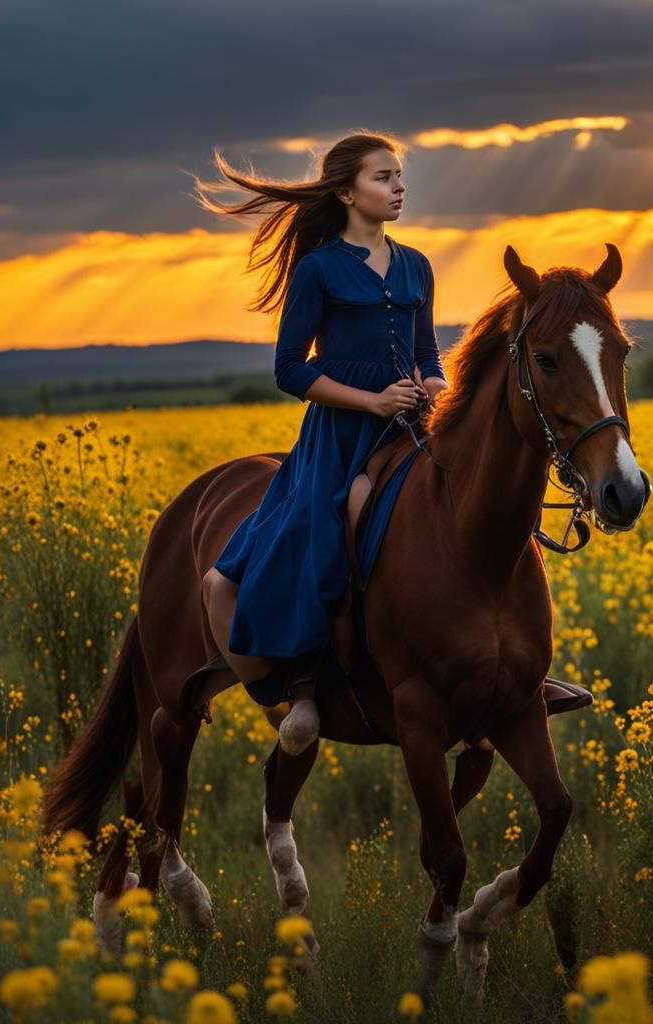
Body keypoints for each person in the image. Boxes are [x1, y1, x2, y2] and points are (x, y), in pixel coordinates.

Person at [193, 132, 448, 756]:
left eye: (399, 177)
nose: (399, 187)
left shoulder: (417, 264)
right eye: (383, 178)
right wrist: (372, 400)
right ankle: (304, 682)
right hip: (341, 435)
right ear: (345, 192)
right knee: (331, 526)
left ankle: (504, 666)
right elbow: (290, 369)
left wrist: (434, 388)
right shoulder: (318, 269)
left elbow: (428, 355)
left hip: (412, 425)